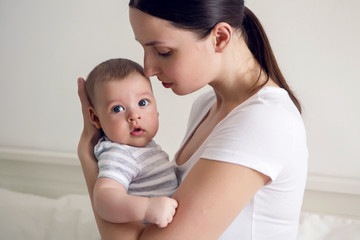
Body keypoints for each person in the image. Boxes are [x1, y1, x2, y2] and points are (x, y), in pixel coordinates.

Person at [77, 0, 308, 239]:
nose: (148, 69)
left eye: (163, 51)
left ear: (219, 38)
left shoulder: (263, 120)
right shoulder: (206, 105)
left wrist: (88, 155)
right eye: (144, 48)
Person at [84, 58, 178, 228]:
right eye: (117, 109)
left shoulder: (143, 149)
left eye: (142, 103)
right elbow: (105, 198)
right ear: (96, 118)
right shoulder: (119, 153)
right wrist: (147, 208)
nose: (134, 115)